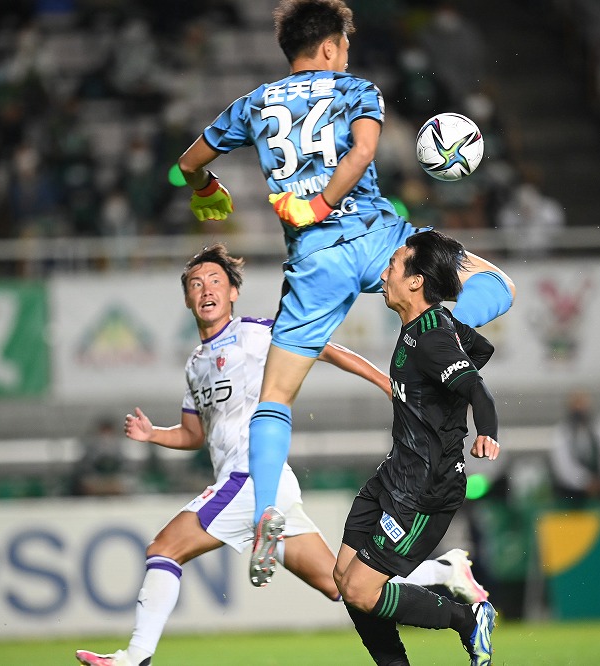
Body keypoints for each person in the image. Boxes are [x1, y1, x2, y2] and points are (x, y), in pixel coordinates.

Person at [176, 0, 516, 586]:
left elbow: (189, 161)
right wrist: (324, 201)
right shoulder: (357, 89)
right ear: (332, 47)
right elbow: (361, 153)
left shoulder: (254, 104)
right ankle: (437, 345)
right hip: (385, 244)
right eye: (346, 47)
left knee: (275, 399)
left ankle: (264, 519)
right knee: (496, 283)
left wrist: (206, 187)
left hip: (314, 263)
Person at [74, 243, 489, 666]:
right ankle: (445, 572)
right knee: (340, 583)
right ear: (186, 298)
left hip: (251, 477)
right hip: (264, 486)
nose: (206, 289)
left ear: (233, 291)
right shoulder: (195, 364)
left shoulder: (255, 330)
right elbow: (193, 433)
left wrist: (386, 382)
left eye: (215, 280)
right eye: (195, 284)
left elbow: (325, 347)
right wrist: (152, 435)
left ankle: (135, 657)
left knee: (163, 549)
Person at [333, 230, 501, 666]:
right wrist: (443, 396)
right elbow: (481, 348)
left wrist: (485, 430)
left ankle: (468, 618)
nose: (384, 273)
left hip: (425, 490)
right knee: (344, 579)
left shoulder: (432, 340)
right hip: (395, 474)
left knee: (359, 589)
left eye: (393, 265)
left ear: (415, 281)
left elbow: (478, 391)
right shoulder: (426, 329)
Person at [549, 389, 600, 504]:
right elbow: (564, 467)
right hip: (575, 490)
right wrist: (586, 482)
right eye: (576, 404)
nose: (580, 409)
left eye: (582, 404)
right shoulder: (562, 432)